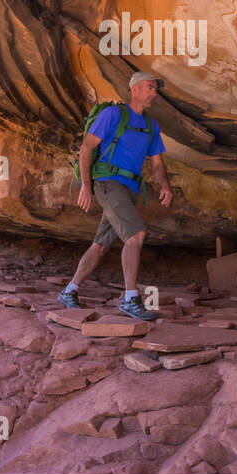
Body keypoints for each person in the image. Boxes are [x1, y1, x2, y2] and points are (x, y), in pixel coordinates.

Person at [57, 72, 173, 320]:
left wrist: (165, 186)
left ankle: (69, 291)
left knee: (100, 246)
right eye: (150, 88)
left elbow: (157, 164)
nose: (154, 93)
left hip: (129, 190)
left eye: (155, 89)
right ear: (135, 89)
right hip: (108, 183)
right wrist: (86, 187)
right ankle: (130, 300)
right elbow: (87, 147)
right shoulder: (112, 115)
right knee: (136, 234)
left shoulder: (151, 126)